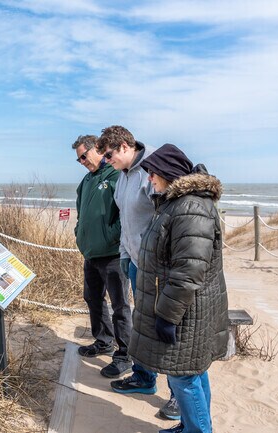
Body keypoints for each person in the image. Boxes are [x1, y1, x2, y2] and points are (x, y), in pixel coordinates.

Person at [129, 143, 229, 433]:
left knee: (183, 377)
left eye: (153, 173)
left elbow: (188, 271)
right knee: (191, 372)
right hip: (186, 308)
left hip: (187, 311)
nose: (149, 179)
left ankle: (197, 430)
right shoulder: (176, 203)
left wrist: (168, 316)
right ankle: (189, 425)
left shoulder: (190, 208)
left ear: (168, 173)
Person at [96, 126, 180, 421]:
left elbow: (171, 218)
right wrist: (123, 255)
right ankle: (144, 377)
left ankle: (177, 396)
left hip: (156, 265)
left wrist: (154, 259)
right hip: (133, 262)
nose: (105, 161)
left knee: (165, 328)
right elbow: (126, 220)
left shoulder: (152, 169)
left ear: (123, 146)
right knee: (142, 323)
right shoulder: (122, 177)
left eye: (108, 155)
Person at [72, 134, 133, 378]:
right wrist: (80, 234)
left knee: (120, 305)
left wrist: (110, 236)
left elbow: (125, 213)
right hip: (91, 253)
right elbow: (81, 213)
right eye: (79, 160)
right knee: (93, 298)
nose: (82, 162)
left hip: (112, 254)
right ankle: (103, 340)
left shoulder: (116, 175)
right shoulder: (86, 181)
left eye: (83, 156)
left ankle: (125, 354)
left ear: (97, 149)